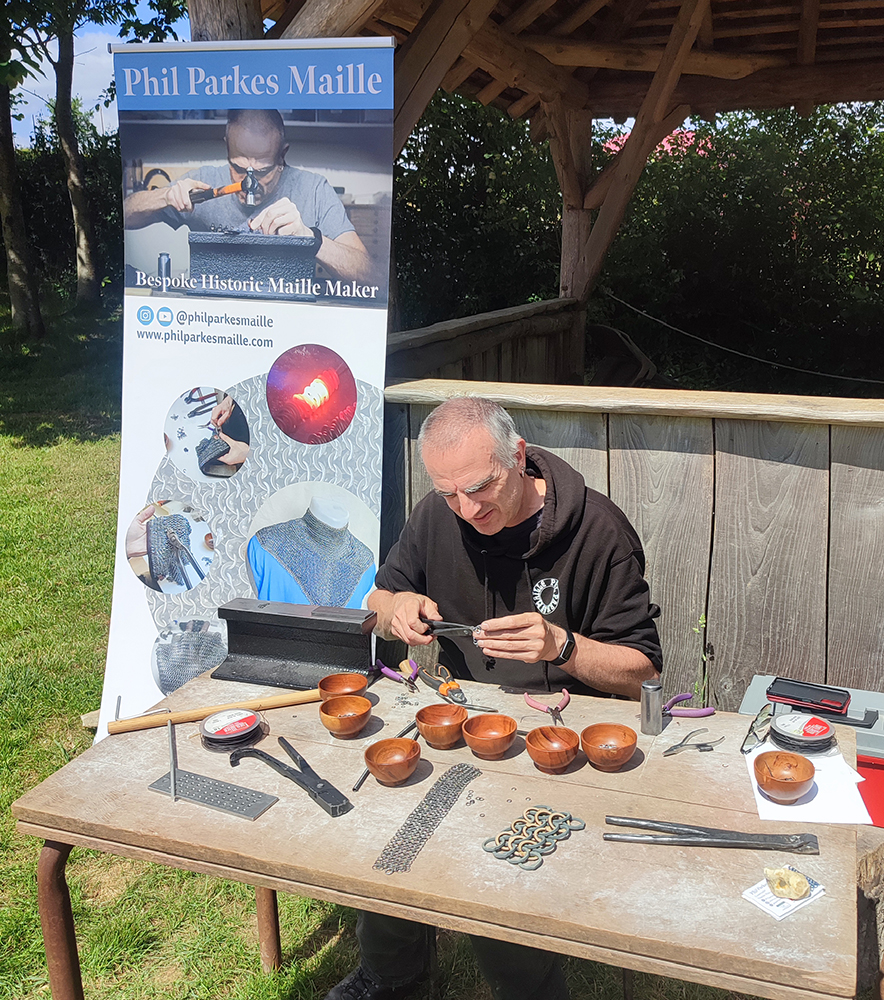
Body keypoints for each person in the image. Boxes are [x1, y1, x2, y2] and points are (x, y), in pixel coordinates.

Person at [327, 397, 662, 1000]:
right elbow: (377, 601)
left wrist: (564, 647)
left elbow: (643, 670)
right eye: (450, 493)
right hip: (461, 713)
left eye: (480, 488)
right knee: (385, 830)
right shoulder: (438, 514)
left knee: (493, 871)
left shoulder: (598, 531)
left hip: (559, 737)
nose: (468, 508)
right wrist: (394, 607)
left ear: (519, 457)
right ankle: (393, 976)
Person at [123, 108, 372, 283]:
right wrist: (166, 196)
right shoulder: (203, 182)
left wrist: (309, 238)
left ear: (282, 155)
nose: (249, 182)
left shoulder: (313, 190)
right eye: (239, 169)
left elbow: (368, 273)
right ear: (226, 149)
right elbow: (125, 214)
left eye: (262, 171)